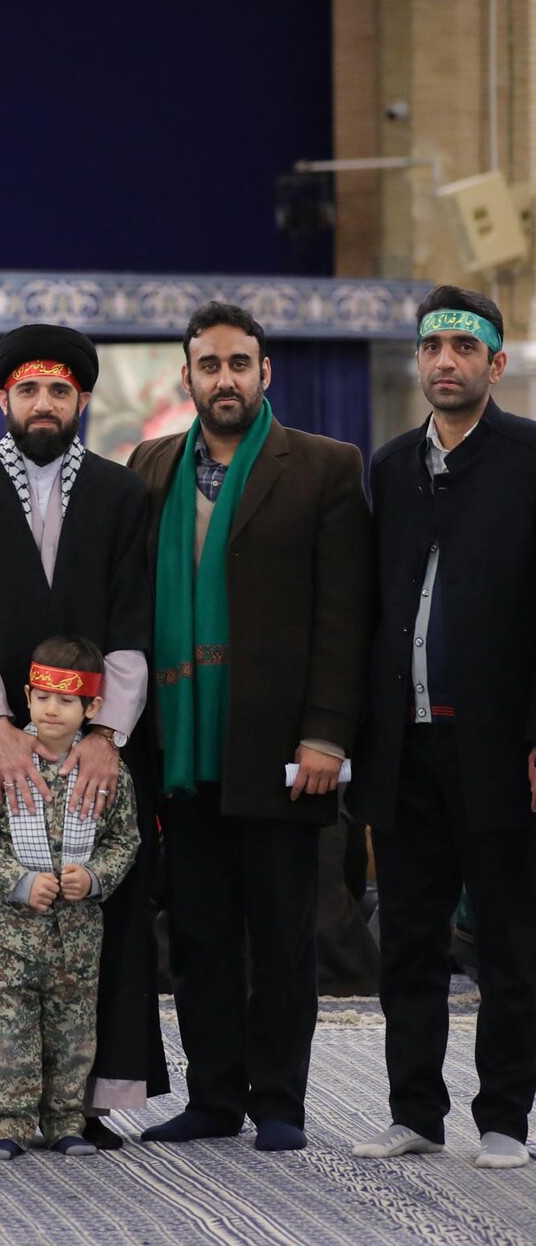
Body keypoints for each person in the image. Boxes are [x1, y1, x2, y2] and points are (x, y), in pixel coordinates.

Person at [130, 300, 372, 1152]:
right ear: (187, 377)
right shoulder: (151, 465)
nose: (225, 379)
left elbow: (345, 615)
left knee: (281, 935)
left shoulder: (325, 465)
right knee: (198, 934)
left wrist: (327, 735)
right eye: (210, 365)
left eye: (240, 363)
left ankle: (278, 1101)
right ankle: (213, 1099)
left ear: (265, 373)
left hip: (280, 747)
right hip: (182, 746)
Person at [0, 324, 165, 1150]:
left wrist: (107, 734)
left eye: (58, 391)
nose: (43, 404)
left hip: (97, 746)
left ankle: (86, 1102)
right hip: (0, 738)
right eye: (28, 390)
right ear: (4, 398)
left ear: (82, 401)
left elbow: (133, 618)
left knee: (99, 912)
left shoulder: (119, 491)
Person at [352, 286, 536, 1172]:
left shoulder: (529, 458)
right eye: (432, 347)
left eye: (464, 347)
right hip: (406, 745)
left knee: (509, 942)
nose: (445, 361)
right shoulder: (392, 467)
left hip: (499, 748)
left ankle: (505, 1120)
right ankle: (414, 1113)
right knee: (409, 941)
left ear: (495, 363)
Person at [0, 638, 141, 1160]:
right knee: (7, 1035)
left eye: (65, 700)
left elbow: (124, 840)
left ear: (93, 707)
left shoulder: (109, 774)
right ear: (26, 697)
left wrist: (95, 877)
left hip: (76, 940)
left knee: (73, 1036)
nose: (51, 710)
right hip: (8, 939)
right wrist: (18, 881)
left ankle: (65, 1121)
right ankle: (8, 1125)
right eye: (42, 698)